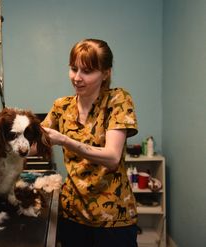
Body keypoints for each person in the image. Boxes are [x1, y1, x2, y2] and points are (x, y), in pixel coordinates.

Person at [41, 38, 138, 247]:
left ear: (105, 73)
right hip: (72, 214)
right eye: (73, 69)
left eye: (87, 71)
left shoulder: (117, 100)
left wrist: (65, 140)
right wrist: (5, 142)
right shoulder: (62, 106)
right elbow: (37, 142)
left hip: (113, 219)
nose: (77, 78)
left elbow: (112, 158)